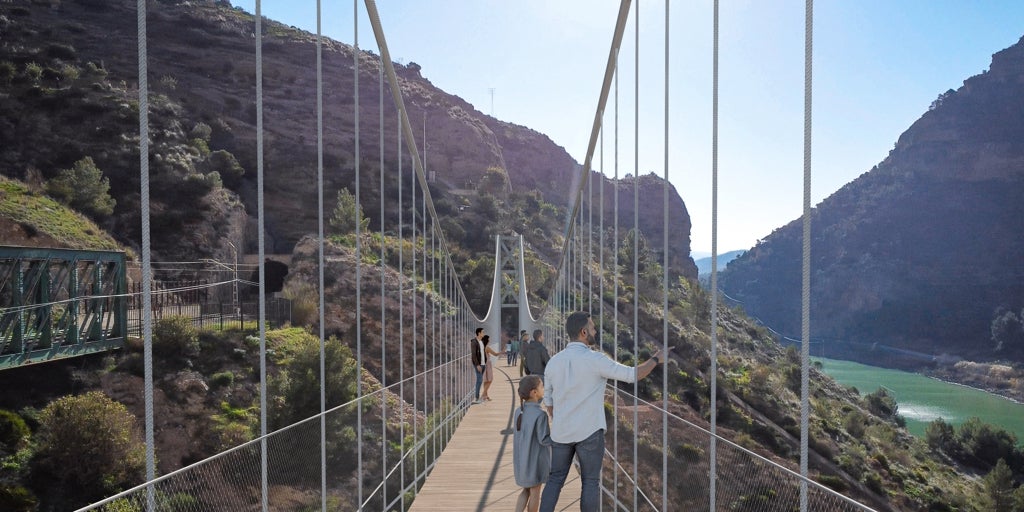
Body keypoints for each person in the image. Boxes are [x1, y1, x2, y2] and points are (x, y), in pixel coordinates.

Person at [538, 312, 666, 512]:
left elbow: (549, 402)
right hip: (589, 433)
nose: (595, 330)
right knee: (590, 483)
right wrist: (656, 360)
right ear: (583, 332)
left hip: (561, 433)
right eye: (593, 327)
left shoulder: (554, 362)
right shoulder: (596, 359)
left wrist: (562, 420)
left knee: (554, 480)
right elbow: (632, 375)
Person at [513, 375, 551, 512]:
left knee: (526, 490)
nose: (544, 389)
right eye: (542, 386)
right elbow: (544, 439)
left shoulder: (518, 412)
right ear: (534, 392)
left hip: (522, 460)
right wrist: (559, 440)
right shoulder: (540, 414)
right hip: (534, 462)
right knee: (535, 493)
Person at [479, 334, 504, 401]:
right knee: (490, 380)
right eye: (489, 339)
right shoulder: (487, 347)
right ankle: (483, 395)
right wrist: (502, 351)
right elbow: (495, 354)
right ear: (486, 340)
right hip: (487, 365)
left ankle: (485, 396)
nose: (490, 340)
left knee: (485, 380)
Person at [470, 327, 486, 404]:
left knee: (480, 381)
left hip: (483, 364)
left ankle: (477, 397)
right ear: (479, 333)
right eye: (483, 332)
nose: (484, 333)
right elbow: (474, 355)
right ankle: (476, 398)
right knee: (479, 380)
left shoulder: (482, 341)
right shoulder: (474, 342)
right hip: (479, 365)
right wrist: (477, 365)